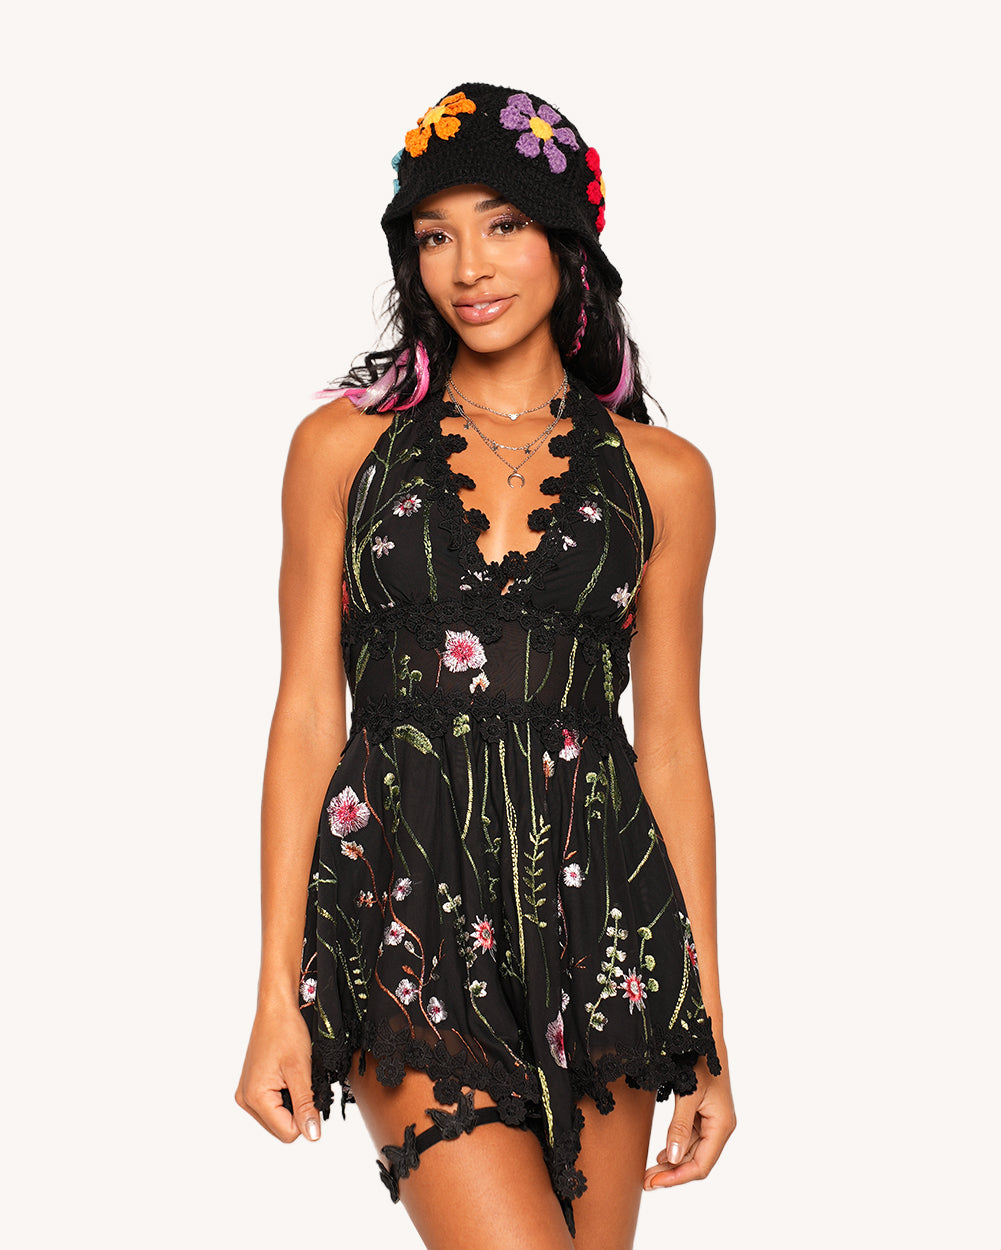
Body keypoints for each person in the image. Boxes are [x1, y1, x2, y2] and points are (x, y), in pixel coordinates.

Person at [235, 81, 736, 1249]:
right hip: (400, 912)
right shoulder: (340, 450)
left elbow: (668, 746)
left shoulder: (663, 475)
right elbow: (305, 714)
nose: (467, 265)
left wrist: (702, 1020)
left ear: (565, 241)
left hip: (603, 925)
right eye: (434, 235)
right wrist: (275, 994)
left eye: (501, 224)